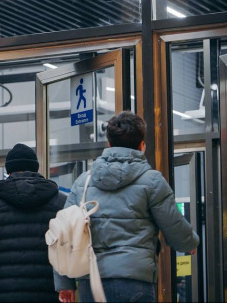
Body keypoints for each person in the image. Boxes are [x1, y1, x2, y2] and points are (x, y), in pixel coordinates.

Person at [55, 111, 199, 303]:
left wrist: (64, 284)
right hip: (134, 282)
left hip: (91, 283)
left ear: (109, 144)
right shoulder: (152, 181)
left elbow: (63, 234)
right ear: (142, 146)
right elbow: (173, 225)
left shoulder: (83, 182)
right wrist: (189, 243)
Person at [0, 143, 66, 302]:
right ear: (36, 168)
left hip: (2, 294)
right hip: (48, 293)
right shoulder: (61, 202)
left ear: (8, 170)